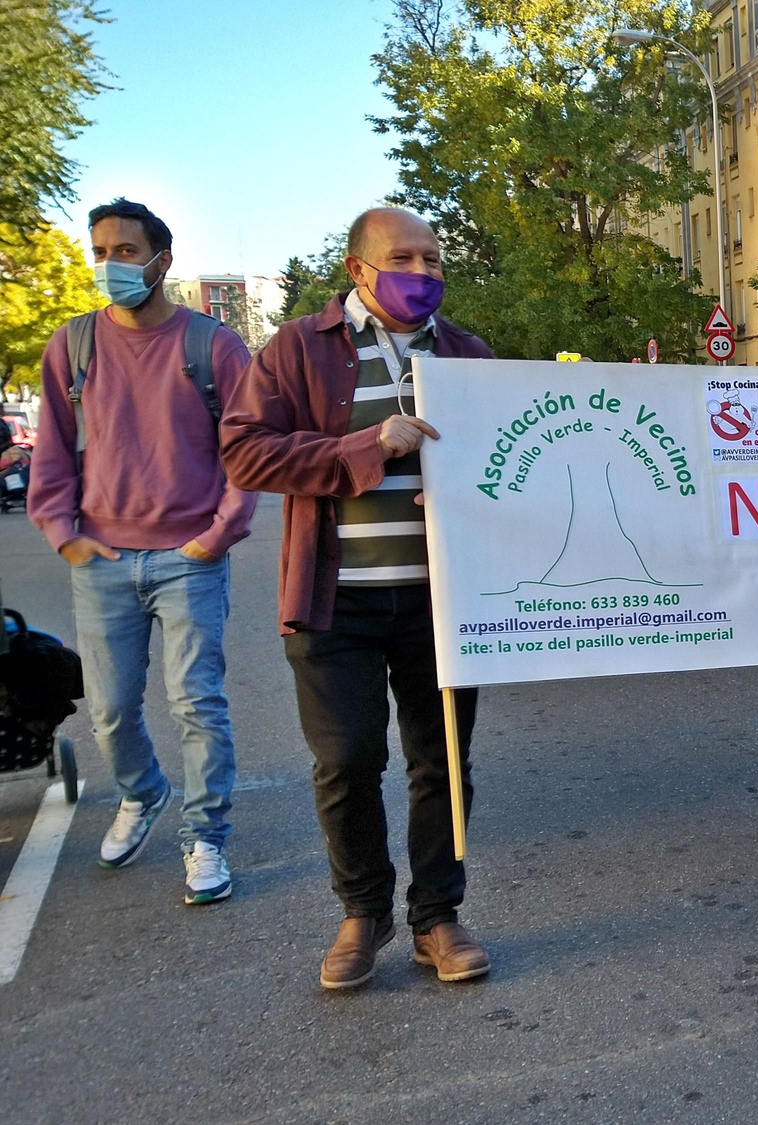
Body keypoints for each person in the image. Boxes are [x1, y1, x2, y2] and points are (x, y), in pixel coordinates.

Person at [220, 207, 497, 989]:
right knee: (345, 758)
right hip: (333, 597)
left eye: (433, 259)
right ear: (358, 269)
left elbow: (506, 462)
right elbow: (243, 452)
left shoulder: (468, 353)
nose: (424, 271)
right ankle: (363, 910)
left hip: (443, 601)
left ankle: (437, 916)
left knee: (442, 760)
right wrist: (366, 445)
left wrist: (469, 493)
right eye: (403, 258)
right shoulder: (297, 348)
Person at [28, 198, 254, 904]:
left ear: (162, 260)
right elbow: (52, 449)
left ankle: (205, 836)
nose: (110, 265)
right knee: (111, 709)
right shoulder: (74, 345)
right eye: (100, 251)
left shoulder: (212, 346)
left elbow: (247, 450)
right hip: (102, 559)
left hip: (190, 558)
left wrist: (218, 533)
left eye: (126, 251)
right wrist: (64, 533)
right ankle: (142, 791)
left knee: (196, 703)